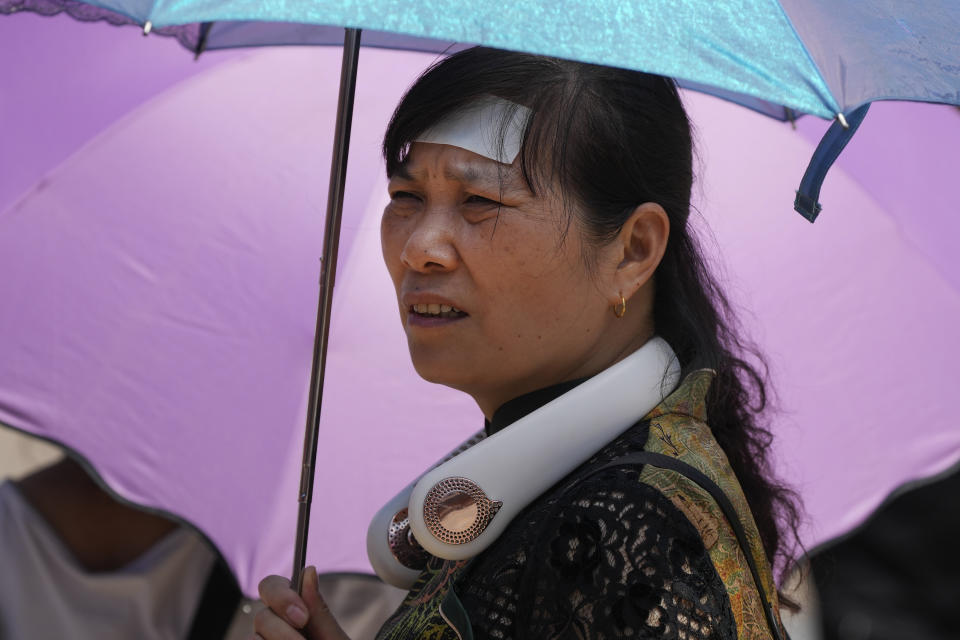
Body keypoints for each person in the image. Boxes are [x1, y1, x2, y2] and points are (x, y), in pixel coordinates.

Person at [253, 47, 800, 640]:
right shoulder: (587, 490)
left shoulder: (624, 523)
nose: (419, 248)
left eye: (480, 201)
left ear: (633, 250)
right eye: (406, 198)